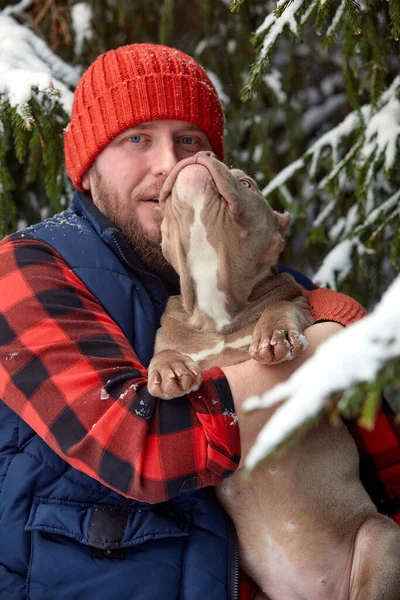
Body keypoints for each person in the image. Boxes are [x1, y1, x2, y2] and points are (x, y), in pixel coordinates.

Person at [0, 43, 398, 600]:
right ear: (86, 169)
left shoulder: (261, 282)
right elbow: (141, 446)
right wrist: (322, 349)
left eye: (190, 142)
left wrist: (333, 323)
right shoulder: (29, 267)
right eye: (137, 138)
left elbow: (382, 461)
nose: (169, 164)